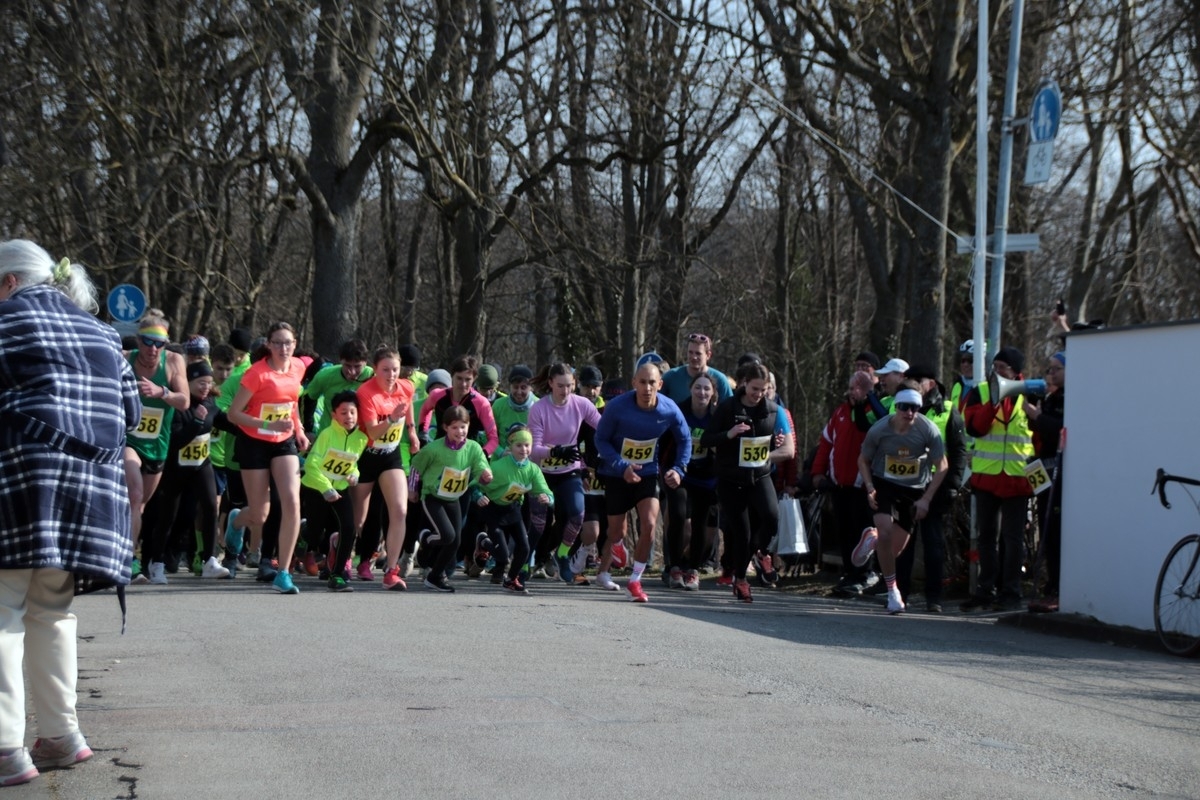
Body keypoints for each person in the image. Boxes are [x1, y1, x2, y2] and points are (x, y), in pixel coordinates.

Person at [0, 240, 140, 787]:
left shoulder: (6, 322)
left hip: (19, 480)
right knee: (51, 609)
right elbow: (130, 412)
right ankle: (61, 736)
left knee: (3, 608)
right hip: (90, 490)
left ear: (9, 282)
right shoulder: (103, 333)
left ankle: (5, 748)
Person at [593, 361, 691, 601]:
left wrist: (679, 469)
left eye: (652, 383)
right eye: (643, 382)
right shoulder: (617, 407)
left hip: (647, 473)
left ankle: (635, 580)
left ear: (660, 384)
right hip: (617, 474)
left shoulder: (669, 409)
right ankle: (608, 562)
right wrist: (621, 465)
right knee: (616, 532)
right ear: (634, 383)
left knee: (649, 524)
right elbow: (600, 440)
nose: (647, 388)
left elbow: (685, 439)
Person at [224, 322, 310, 594]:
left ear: (295, 344)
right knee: (260, 514)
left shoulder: (298, 367)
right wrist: (267, 424)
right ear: (269, 345)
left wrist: (299, 430)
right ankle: (236, 522)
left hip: (283, 441)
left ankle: (283, 573)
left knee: (292, 502)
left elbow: (292, 402)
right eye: (278, 343)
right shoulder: (257, 374)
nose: (283, 348)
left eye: (288, 343)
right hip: (253, 442)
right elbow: (233, 414)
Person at [852, 384, 949, 614]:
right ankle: (893, 592)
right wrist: (869, 487)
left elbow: (942, 466)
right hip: (884, 484)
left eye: (915, 408)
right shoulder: (880, 429)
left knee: (893, 551)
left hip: (913, 490)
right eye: (905, 407)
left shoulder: (928, 429)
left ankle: (873, 541)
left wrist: (926, 499)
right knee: (885, 531)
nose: (910, 412)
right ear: (896, 407)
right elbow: (863, 460)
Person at [701, 361, 793, 603]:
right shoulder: (727, 407)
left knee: (772, 518)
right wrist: (729, 434)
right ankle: (741, 580)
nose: (758, 394)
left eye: (763, 390)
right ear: (744, 384)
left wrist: (775, 442)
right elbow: (707, 439)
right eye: (754, 389)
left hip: (759, 475)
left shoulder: (773, 410)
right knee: (742, 533)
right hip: (731, 478)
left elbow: (773, 444)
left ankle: (762, 552)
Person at [960, 347, 1035, 612]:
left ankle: (1010, 591)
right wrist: (993, 402)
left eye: (1003, 367)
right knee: (986, 538)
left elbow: (1039, 432)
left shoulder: (1031, 392)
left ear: (1016, 372)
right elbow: (975, 428)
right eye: (995, 366)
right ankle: (985, 589)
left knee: (1012, 539)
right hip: (987, 477)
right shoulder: (981, 392)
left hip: (1017, 478)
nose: (997, 371)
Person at [141, 360, 230, 584]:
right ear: (187, 382)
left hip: (201, 464)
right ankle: (156, 563)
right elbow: (176, 442)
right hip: (175, 469)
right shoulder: (178, 406)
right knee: (167, 517)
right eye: (201, 382)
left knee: (211, 507)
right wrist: (197, 421)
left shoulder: (209, 403)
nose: (206, 387)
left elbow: (224, 421)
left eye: (209, 383)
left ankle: (209, 560)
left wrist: (253, 426)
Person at [894, 365, 968, 612]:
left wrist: (953, 486)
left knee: (933, 543)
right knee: (903, 543)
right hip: (905, 485)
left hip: (935, 487)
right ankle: (899, 594)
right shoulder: (900, 407)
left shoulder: (947, 410)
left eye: (919, 379)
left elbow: (958, 451)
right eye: (910, 379)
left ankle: (934, 597)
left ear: (932, 384)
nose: (914, 383)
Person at [123, 314, 189, 581]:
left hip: (157, 445)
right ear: (138, 340)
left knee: (138, 505)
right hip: (128, 440)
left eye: (159, 343)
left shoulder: (173, 361)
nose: (153, 349)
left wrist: (161, 392)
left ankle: (128, 551)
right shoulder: (124, 358)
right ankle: (128, 560)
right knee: (135, 494)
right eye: (148, 342)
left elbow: (184, 401)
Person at [353, 345, 420, 589]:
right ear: (375, 369)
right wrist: (392, 418)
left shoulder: (406, 386)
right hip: (366, 456)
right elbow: (372, 431)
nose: (391, 375)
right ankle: (346, 554)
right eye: (385, 370)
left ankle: (391, 571)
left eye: (395, 369)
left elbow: (408, 405)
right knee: (359, 519)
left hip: (391, 456)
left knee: (400, 511)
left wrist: (411, 431)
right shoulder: (366, 393)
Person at [528, 363, 602, 583]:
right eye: (560, 386)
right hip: (541, 473)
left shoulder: (581, 404)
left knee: (576, 514)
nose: (565, 391)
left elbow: (603, 427)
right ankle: (528, 562)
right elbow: (534, 450)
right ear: (551, 383)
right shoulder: (539, 409)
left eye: (569, 385)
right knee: (540, 522)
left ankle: (562, 554)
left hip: (569, 471)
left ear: (575, 384)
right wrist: (555, 451)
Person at [410, 406, 493, 592]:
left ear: (468, 426)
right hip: (433, 497)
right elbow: (416, 466)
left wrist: (486, 474)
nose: (459, 431)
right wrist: (412, 489)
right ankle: (425, 540)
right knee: (447, 535)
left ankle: (435, 577)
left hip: (454, 498)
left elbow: (480, 466)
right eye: (454, 427)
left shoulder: (473, 448)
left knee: (455, 541)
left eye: (463, 427)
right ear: (445, 427)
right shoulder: (433, 449)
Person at [812, 371, 879, 597]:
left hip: (862, 485)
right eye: (851, 388)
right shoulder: (840, 411)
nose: (853, 392)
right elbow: (826, 444)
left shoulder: (873, 412)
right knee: (845, 532)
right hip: (839, 484)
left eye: (858, 388)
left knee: (863, 533)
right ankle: (849, 573)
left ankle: (864, 574)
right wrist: (817, 473)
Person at [301, 391, 369, 592]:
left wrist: (354, 475)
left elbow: (353, 465)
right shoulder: (327, 435)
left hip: (340, 490)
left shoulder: (361, 439)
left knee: (349, 528)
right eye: (344, 412)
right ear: (334, 415)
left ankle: (337, 575)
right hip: (315, 488)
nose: (349, 417)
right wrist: (325, 488)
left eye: (353, 412)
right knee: (315, 533)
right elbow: (311, 465)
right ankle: (303, 534)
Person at [472, 424, 553, 593]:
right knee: (502, 556)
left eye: (527, 445)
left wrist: (547, 498)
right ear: (510, 446)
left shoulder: (533, 469)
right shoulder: (498, 467)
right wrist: (478, 496)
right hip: (494, 510)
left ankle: (511, 579)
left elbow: (545, 490)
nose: (523, 449)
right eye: (519, 445)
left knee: (524, 548)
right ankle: (484, 542)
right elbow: (475, 484)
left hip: (513, 510)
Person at [660, 372, 719, 590]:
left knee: (700, 522)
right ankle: (674, 567)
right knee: (677, 514)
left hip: (706, 475)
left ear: (713, 393)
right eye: (698, 387)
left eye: (706, 388)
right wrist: (662, 468)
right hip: (679, 472)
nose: (702, 392)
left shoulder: (717, 416)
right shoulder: (678, 411)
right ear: (691, 389)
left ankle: (693, 569)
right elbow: (663, 441)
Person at [1026, 351, 1065, 612]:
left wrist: (1037, 416)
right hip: (1042, 468)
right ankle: (1050, 585)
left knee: (1056, 530)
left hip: (1059, 472)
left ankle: (1057, 587)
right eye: (1049, 370)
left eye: (1055, 370)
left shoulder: (1069, 399)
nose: (1050, 375)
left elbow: (1059, 429)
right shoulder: (1051, 399)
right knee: (1046, 529)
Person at [300, 338, 373, 439]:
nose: (352, 371)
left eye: (357, 367)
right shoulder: (325, 376)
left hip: (360, 437)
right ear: (341, 361)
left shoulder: (372, 376)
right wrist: (308, 429)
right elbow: (308, 398)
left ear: (365, 363)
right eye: (347, 366)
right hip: (329, 436)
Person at [660, 332, 733, 405]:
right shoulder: (671, 377)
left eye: (698, 353)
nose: (694, 357)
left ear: (708, 355)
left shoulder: (720, 380)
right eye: (690, 352)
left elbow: (731, 408)